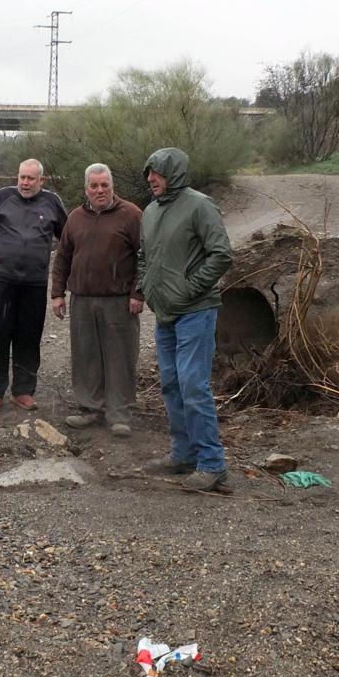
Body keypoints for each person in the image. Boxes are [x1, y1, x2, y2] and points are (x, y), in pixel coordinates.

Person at [136, 147, 233, 491]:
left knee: (193, 385)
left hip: (196, 310)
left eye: (156, 173)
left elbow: (222, 254)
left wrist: (190, 288)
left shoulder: (200, 205)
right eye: (149, 173)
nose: (150, 179)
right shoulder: (149, 211)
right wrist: (146, 285)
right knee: (171, 383)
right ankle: (183, 454)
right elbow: (143, 256)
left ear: (174, 173)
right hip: (165, 314)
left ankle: (212, 464)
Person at [0, 158, 67, 413]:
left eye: (31, 178)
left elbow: (69, 236)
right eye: (22, 177)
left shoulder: (52, 202)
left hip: (35, 284)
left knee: (28, 338)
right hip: (2, 281)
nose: (25, 183)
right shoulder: (4, 197)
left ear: (42, 180)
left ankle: (23, 392)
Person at [50, 163, 144, 436]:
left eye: (105, 185)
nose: (100, 190)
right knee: (86, 356)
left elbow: (145, 257)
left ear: (112, 187)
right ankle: (90, 408)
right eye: (94, 186)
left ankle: (119, 414)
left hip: (119, 301)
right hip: (82, 300)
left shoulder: (131, 215)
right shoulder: (75, 217)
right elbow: (63, 258)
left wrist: (139, 293)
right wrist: (57, 294)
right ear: (86, 189)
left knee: (120, 357)